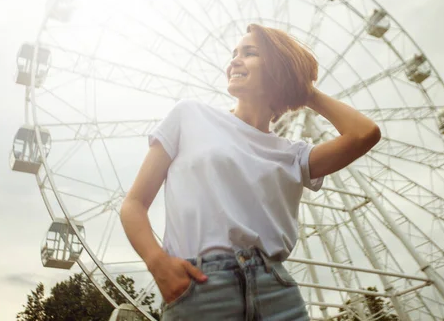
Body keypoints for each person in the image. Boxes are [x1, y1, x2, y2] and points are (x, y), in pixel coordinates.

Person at [120, 24, 381, 320]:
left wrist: (304, 90)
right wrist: (158, 264)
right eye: (234, 53)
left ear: (279, 69)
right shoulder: (190, 115)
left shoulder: (294, 155)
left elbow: (364, 134)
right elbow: (134, 205)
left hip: (277, 292)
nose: (234, 60)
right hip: (202, 286)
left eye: (250, 52)